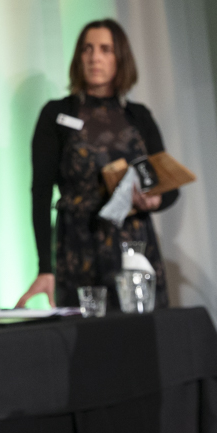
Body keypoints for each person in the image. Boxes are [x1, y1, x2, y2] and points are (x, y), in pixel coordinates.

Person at [17, 18, 178, 311]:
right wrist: (44, 267)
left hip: (133, 249)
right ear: (79, 57)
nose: (95, 57)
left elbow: (169, 188)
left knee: (139, 333)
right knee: (86, 333)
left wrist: (154, 200)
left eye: (105, 49)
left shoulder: (138, 116)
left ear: (121, 58)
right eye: (87, 49)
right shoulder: (56, 114)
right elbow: (41, 193)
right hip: (78, 248)